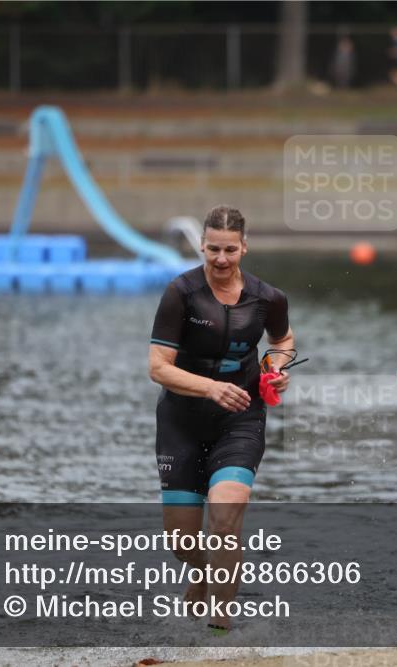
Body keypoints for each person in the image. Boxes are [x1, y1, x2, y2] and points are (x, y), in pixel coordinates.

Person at [149, 205, 294, 632]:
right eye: (213, 249)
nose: (221, 259)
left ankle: (220, 625)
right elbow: (157, 366)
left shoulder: (268, 298)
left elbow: (283, 340)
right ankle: (200, 571)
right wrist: (209, 387)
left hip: (241, 417)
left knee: (228, 513)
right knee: (180, 540)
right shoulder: (181, 292)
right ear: (202, 246)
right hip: (181, 421)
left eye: (230, 250)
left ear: (244, 248)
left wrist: (274, 367)